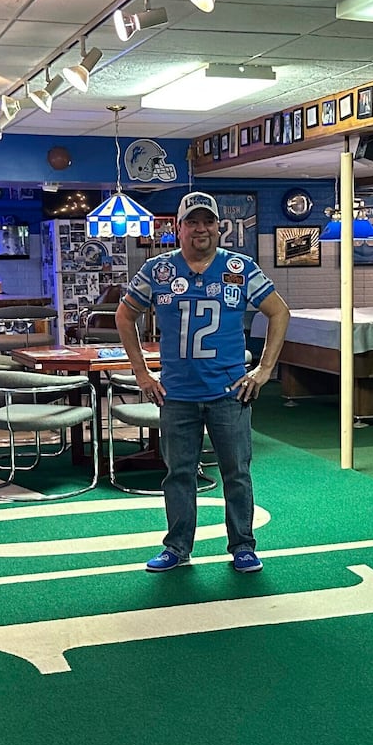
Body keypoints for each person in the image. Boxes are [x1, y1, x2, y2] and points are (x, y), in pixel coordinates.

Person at [116, 192, 290, 574]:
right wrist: (141, 373)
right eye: (192, 222)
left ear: (218, 227)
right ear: (177, 228)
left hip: (229, 393)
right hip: (176, 394)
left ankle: (243, 546)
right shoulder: (158, 270)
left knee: (237, 474)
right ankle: (177, 547)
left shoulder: (240, 268)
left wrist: (264, 370)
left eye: (208, 222)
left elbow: (279, 312)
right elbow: (124, 316)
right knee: (178, 474)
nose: (201, 229)